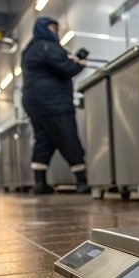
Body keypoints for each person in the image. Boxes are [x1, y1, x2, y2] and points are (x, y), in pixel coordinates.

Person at [21, 16, 90, 194]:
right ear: (43, 29)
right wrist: (80, 64)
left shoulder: (30, 49)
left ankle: (39, 182)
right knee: (68, 137)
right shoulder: (48, 46)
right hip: (54, 101)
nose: (55, 32)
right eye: (53, 28)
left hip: (34, 103)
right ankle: (82, 181)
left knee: (44, 140)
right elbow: (66, 69)